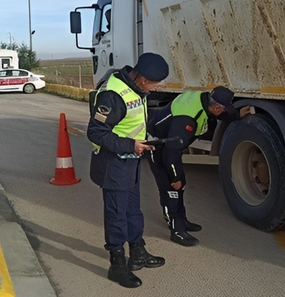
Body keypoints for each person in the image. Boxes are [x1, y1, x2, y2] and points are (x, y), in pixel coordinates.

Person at [87, 52, 169, 288]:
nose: (154, 89)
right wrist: (130, 145)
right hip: (113, 164)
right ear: (142, 79)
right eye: (153, 84)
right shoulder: (112, 95)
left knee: (133, 210)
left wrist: (144, 139)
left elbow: (133, 122)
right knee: (116, 215)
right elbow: (96, 132)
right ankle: (117, 264)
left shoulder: (136, 89)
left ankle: (137, 253)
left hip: (130, 160)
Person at [147, 86, 250, 246]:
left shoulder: (204, 99)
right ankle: (177, 231)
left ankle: (182, 221)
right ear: (216, 106)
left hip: (170, 145)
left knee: (180, 186)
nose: (223, 112)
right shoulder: (186, 120)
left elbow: (220, 114)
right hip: (159, 148)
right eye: (223, 109)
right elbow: (170, 152)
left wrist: (236, 115)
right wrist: (175, 176)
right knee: (172, 189)